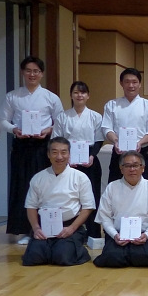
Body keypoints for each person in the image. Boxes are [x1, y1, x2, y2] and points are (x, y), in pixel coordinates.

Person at [0, 56, 64, 243]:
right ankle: (25, 229)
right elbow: (2, 120)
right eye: (28, 71)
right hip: (22, 145)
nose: (32, 74)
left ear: (41, 74)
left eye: (36, 71)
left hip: (43, 146)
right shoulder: (13, 96)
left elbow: (60, 121)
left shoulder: (51, 97)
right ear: (22, 72)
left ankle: (46, 228)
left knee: (44, 186)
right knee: (22, 186)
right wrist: (14, 129)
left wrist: (48, 130)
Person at [21, 137, 95, 266]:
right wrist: (36, 228)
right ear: (48, 154)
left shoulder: (80, 177)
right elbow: (31, 206)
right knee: (33, 258)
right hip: (44, 226)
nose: (59, 157)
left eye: (63, 152)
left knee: (62, 256)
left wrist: (72, 228)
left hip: (69, 226)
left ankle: (73, 249)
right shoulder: (38, 178)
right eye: (54, 152)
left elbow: (88, 207)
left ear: (69, 154)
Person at [93, 150, 148, 268]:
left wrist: (147, 235)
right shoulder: (112, 187)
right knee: (113, 257)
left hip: (143, 235)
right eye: (127, 166)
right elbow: (105, 217)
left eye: (135, 165)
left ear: (142, 168)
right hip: (118, 235)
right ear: (121, 169)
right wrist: (114, 235)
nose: (132, 169)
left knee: (145, 256)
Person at [52, 80, 104, 238]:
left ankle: (93, 233)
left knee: (92, 196)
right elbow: (57, 140)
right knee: (69, 195)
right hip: (68, 160)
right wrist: (66, 158)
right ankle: (70, 231)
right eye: (76, 92)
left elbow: (99, 140)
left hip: (90, 160)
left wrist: (92, 156)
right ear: (71, 95)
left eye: (83, 92)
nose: (79, 95)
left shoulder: (95, 116)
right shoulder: (63, 117)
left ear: (88, 96)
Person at [101, 67, 148, 184]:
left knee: (144, 186)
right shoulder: (112, 105)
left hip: (141, 151)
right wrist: (116, 141)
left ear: (140, 84)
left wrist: (140, 143)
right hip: (119, 151)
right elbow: (107, 128)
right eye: (127, 82)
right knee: (115, 186)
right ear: (121, 83)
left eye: (134, 82)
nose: (131, 85)